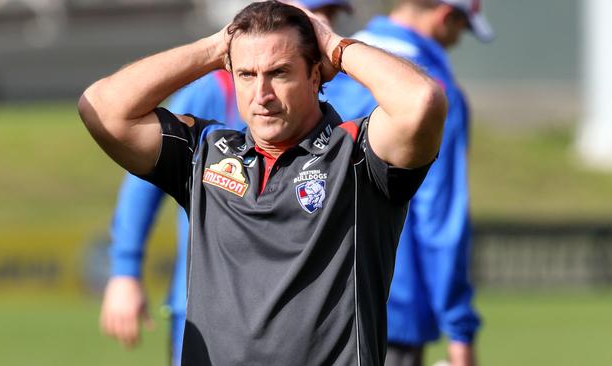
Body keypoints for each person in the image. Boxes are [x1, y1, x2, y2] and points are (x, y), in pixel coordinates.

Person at [79, 1, 447, 364]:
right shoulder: (205, 152)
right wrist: (217, 46)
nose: (262, 96)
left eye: (280, 73)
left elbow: (421, 101)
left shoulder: (357, 156)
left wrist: (332, 44)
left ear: (315, 75)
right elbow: (102, 108)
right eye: (247, 75)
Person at [98, 1, 352, 365]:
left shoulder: (351, 87)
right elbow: (139, 166)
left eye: (330, 15)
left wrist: (334, 46)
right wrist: (125, 268)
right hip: (210, 310)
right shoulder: (215, 87)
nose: (320, 23)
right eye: (309, 13)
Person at [323, 0, 494, 365]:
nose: (456, 42)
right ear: (446, 16)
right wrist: (459, 327)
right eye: (461, 30)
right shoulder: (432, 90)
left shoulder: (330, 69)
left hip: (313, 300)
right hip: (392, 307)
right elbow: (441, 217)